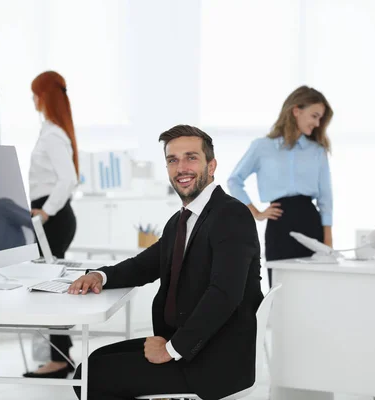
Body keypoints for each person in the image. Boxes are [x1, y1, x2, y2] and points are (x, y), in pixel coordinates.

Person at [66, 125, 263, 400]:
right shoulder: (182, 219)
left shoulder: (231, 215)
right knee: (94, 361)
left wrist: (172, 349)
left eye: (191, 157)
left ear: (212, 165)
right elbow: (145, 265)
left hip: (214, 360)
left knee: (91, 377)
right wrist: (101, 276)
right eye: (173, 160)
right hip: (192, 345)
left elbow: (224, 294)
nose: (181, 167)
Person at [227, 85, 334, 286]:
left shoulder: (317, 151)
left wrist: (328, 241)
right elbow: (234, 180)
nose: (317, 123)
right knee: (280, 288)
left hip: (311, 222)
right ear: (296, 111)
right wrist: (255, 212)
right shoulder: (262, 147)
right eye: (314, 116)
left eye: (320, 118)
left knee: (315, 287)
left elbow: (326, 198)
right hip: (279, 224)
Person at [23, 71, 79, 379]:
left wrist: (45, 212)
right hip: (51, 217)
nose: (33, 99)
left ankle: (59, 358)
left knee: (51, 287)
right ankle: (61, 354)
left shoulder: (54, 134)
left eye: (35, 93)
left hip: (54, 219)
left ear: (45, 96)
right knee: (50, 285)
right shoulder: (50, 131)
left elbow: (68, 179)